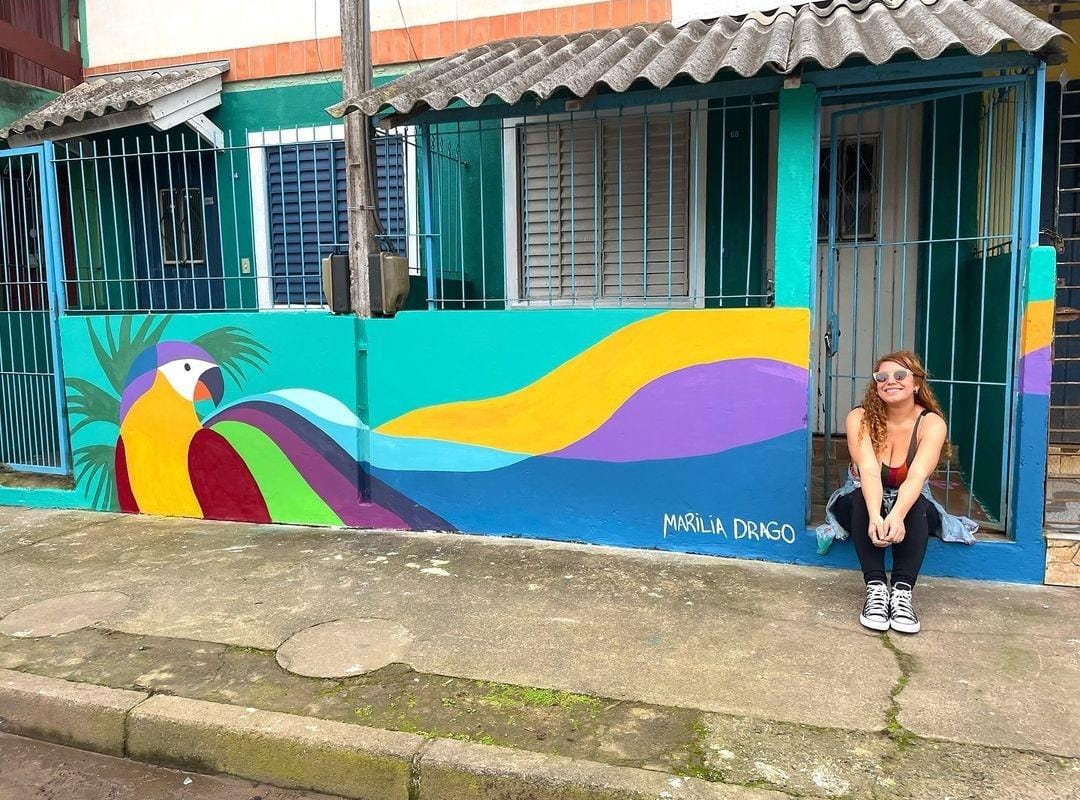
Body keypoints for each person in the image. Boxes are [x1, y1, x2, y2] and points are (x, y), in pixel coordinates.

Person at [831, 351, 951, 635]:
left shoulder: (931, 424)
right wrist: (876, 515)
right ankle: (875, 589)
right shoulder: (859, 418)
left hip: (911, 504)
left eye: (900, 376)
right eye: (881, 377)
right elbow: (869, 472)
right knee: (862, 499)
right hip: (863, 501)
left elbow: (917, 477)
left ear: (916, 384)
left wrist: (895, 515)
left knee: (914, 504)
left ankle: (901, 593)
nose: (890, 382)